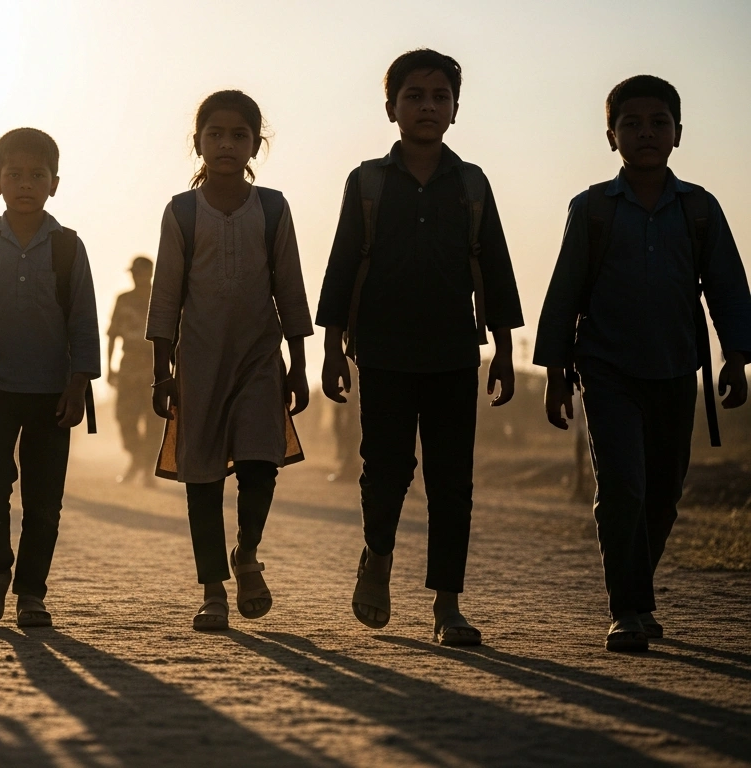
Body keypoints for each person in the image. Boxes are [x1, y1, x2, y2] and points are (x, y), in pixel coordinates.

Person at [534, 75, 751, 652]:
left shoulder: (699, 209)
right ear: (611, 135)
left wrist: (736, 358)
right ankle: (628, 608)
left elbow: (728, 287)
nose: (646, 133)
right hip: (606, 370)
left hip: (677, 369)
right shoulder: (593, 210)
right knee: (623, 486)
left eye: (659, 122)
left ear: (678, 133)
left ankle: (637, 584)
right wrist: (556, 374)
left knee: (664, 493)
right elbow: (564, 294)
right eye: (631, 123)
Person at [315, 50, 523, 646]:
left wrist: (505, 350)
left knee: (452, 479)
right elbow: (341, 265)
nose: (427, 106)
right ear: (391, 108)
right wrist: (331, 351)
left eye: (439, 96)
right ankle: (377, 556)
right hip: (380, 351)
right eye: (414, 96)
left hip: (455, 352)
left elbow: (498, 269)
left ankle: (447, 604)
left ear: (455, 110)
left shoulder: (472, 184)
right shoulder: (368, 182)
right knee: (385, 468)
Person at [147, 90, 313, 631]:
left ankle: (247, 554)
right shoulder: (182, 211)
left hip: (259, 358)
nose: (226, 144)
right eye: (214, 134)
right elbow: (166, 296)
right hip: (198, 361)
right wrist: (162, 372)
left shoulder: (272, 208)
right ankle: (213, 589)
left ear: (255, 145)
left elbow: (289, 287)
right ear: (197, 142)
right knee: (203, 477)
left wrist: (299, 361)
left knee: (262, 461)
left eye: (239, 135)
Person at [0, 128, 100, 629]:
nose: (25, 184)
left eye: (37, 175)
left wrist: (78, 384)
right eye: (14, 175)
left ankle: (32, 593)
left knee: (44, 499)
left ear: (54, 184)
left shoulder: (68, 248)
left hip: (52, 391)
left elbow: (83, 322)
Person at [107, 256, 163, 486]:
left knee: (154, 419)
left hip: (154, 365)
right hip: (129, 364)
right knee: (124, 417)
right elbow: (112, 335)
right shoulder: (124, 299)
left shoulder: (163, 299)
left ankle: (147, 469)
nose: (134, 276)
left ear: (148, 273)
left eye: (138, 272)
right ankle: (137, 458)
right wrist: (108, 367)